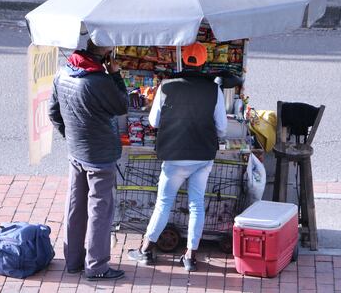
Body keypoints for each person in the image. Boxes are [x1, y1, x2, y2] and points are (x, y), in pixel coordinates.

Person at [128, 42, 228, 272]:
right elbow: (221, 128)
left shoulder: (166, 86)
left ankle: (145, 250)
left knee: (163, 203)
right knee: (197, 204)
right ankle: (191, 257)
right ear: (203, 63)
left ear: (182, 61)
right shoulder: (214, 90)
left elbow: (153, 122)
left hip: (173, 156)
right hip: (203, 155)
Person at [48, 39, 128, 280]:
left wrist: (69, 136)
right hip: (100, 156)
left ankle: (72, 261)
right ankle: (97, 266)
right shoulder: (100, 81)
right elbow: (122, 105)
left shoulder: (62, 73)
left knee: (75, 205)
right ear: (105, 54)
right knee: (100, 211)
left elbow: (54, 112)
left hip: (76, 152)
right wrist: (115, 75)